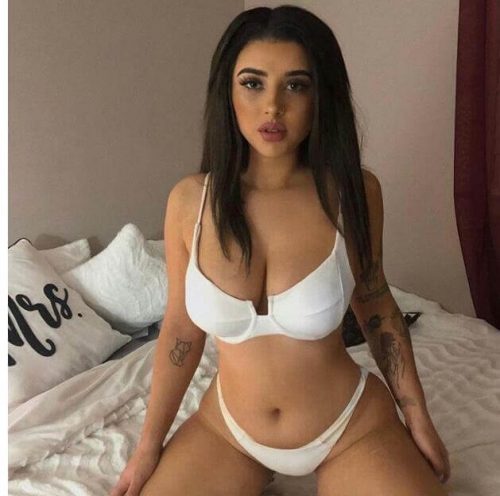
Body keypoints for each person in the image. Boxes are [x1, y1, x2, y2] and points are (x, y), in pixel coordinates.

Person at [110, 5, 450, 496]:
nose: (272, 106)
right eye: (253, 83)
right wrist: (147, 448)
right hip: (229, 431)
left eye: (296, 85)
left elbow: (376, 306)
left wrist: (417, 416)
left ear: (321, 95)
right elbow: (181, 329)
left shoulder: (353, 193)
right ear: (228, 92)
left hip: (349, 428)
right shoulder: (190, 202)